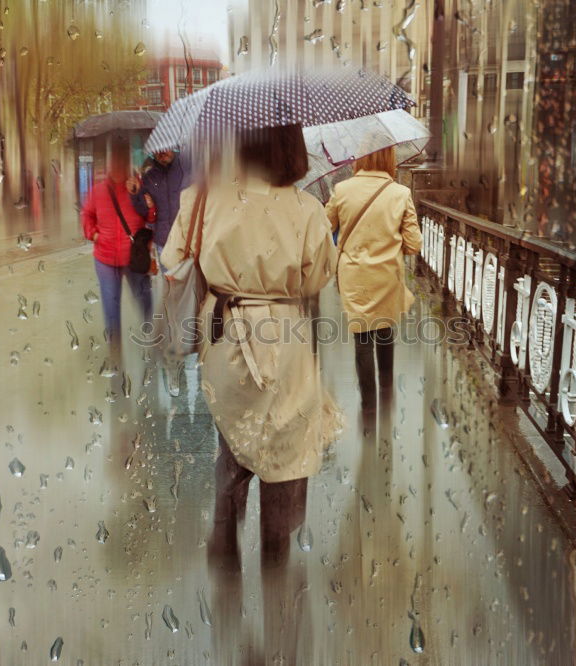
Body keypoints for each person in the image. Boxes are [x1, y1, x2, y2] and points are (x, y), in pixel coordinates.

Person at [160, 125, 339, 574]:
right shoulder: (308, 209)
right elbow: (318, 278)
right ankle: (277, 562)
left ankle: (224, 544)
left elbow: (172, 261)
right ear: (292, 148)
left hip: (223, 333)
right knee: (287, 439)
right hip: (287, 338)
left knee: (233, 438)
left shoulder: (203, 199)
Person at [325, 146, 422, 416]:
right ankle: (387, 394)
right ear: (390, 158)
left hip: (353, 275)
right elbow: (414, 245)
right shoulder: (401, 193)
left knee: (362, 340)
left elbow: (324, 229)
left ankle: (368, 406)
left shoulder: (342, 190)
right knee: (385, 332)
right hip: (387, 276)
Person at [80, 137, 154, 349]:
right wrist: (94, 235)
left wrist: (140, 195)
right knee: (111, 309)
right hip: (105, 259)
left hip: (134, 258)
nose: (118, 165)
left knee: (144, 301)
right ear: (109, 162)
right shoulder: (98, 190)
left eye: (122, 160)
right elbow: (87, 216)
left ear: (128, 161)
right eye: (114, 160)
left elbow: (151, 217)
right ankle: (115, 351)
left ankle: (152, 340)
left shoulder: (139, 187)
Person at [134, 150, 189, 272]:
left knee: (188, 284)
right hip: (163, 243)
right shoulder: (149, 178)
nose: (162, 152)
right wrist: (136, 194)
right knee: (169, 283)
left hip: (187, 241)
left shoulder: (186, 171)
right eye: (157, 150)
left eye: (165, 148)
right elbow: (142, 211)